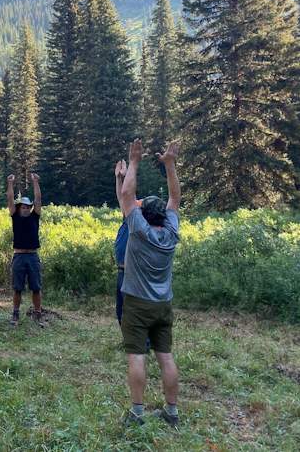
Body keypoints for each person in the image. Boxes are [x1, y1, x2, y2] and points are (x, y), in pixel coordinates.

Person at [117, 139, 181, 428]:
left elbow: (128, 195)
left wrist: (134, 162)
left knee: (136, 356)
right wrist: (170, 165)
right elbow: (175, 200)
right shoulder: (170, 233)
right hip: (163, 304)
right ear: (163, 216)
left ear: (143, 215)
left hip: (137, 304)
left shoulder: (139, 229)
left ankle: (138, 412)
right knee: (165, 357)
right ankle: (171, 412)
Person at [7, 173, 44, 326]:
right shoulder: (14, 216)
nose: (26, 209)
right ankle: (15, 314)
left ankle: (37, 313)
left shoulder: (35, 216)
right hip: (19, 256)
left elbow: (38, 199)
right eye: (23, 206)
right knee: (17, 288)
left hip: (33, 256)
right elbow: (9, 199)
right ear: (19, 207)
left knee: (36, 287)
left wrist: (35, 182)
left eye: (28, 207)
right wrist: (10, 183)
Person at [113, 160, 142, 325]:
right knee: (121, 310)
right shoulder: (127, 220)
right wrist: (118, 179)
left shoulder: (137, 223)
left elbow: (128, 196)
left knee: (133, 309)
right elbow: (122, 197)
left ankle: (141, 342)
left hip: (132, 272)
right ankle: (128, 340)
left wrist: (128, 175)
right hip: (121, 272)